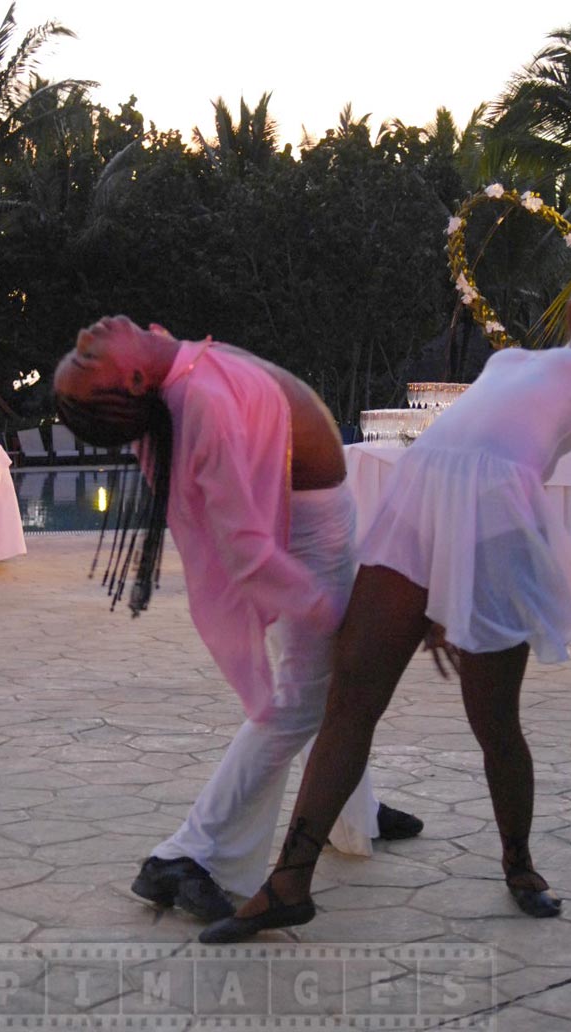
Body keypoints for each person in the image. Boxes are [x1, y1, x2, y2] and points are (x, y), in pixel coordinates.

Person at [201, 285, 571, 943]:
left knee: (494, 720)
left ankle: (520, 864)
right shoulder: (517, 359)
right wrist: (443, 584)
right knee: (350, 697)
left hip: (495, 521)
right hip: (418, 499)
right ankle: (289, 882)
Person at [53, 316, 424, 924]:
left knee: (332, 686)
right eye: (88, 356)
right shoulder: (202, 404)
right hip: (306, 538)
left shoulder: (179, 372)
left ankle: (352, 811)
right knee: (305, 700)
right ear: (139, 376)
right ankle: (186, 854)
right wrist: (321, 605)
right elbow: (245, 546)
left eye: (81, 349)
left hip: (315, 519)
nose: (87, 335)